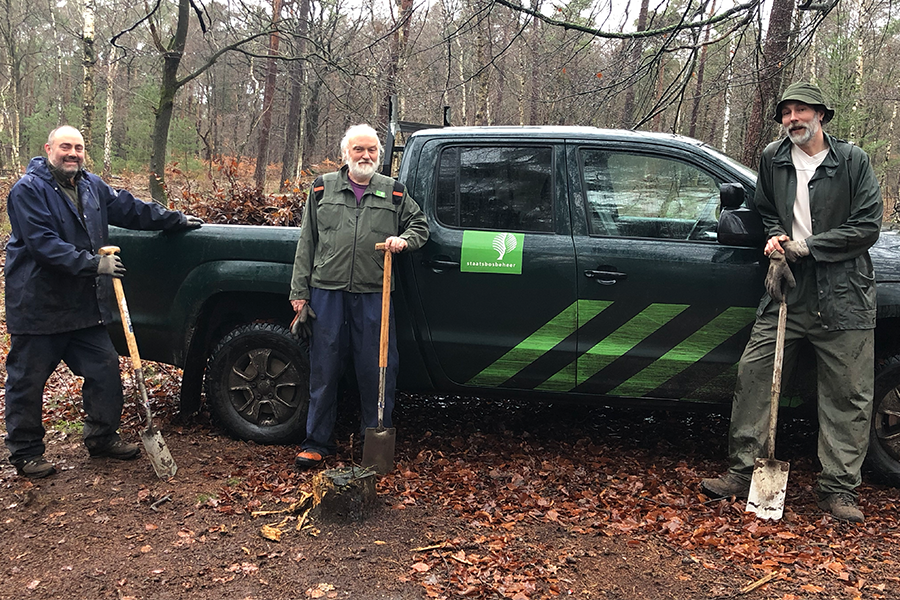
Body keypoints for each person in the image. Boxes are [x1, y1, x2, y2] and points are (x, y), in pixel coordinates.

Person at [701, 83, 883, 523]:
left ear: (821, 115)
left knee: (848, 394)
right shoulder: (773, 158)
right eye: (786, 112)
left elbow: (867, 227)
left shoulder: (852, 161)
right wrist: (777, 238)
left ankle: (838, 491)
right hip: (790, 291)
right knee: (755, 372)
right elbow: (766, 208)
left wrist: (805, 247)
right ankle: (742, 472)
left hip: (845, 295)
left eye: (801, 110)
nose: (792, 119)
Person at [4, 125, 203, 478]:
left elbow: (129, 208)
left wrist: (174, 220)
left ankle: (101, 436)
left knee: (105, 371)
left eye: (79, 148)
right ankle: (26, 452)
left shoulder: (91, 186)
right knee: (28, 382)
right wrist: (94, 264)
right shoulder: (28, 191)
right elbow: (42, 244)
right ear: (49, 148)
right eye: (66, 147)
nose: (73, 154)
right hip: (38, 306)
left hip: (83, 308)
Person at [289, 123, 429, 469]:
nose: (365, 156)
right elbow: (307, 242)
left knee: (377, 369)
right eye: (358, 150)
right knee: (324, 369)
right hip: (327, 293)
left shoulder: (394, 193)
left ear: (380, 157)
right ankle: (317, 442)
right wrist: (299, 293)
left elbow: (420, 226)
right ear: (345, 154)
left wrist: (404, 240)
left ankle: (373, 441)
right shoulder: (322, 188)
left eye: (371, 151)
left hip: (374, 295)